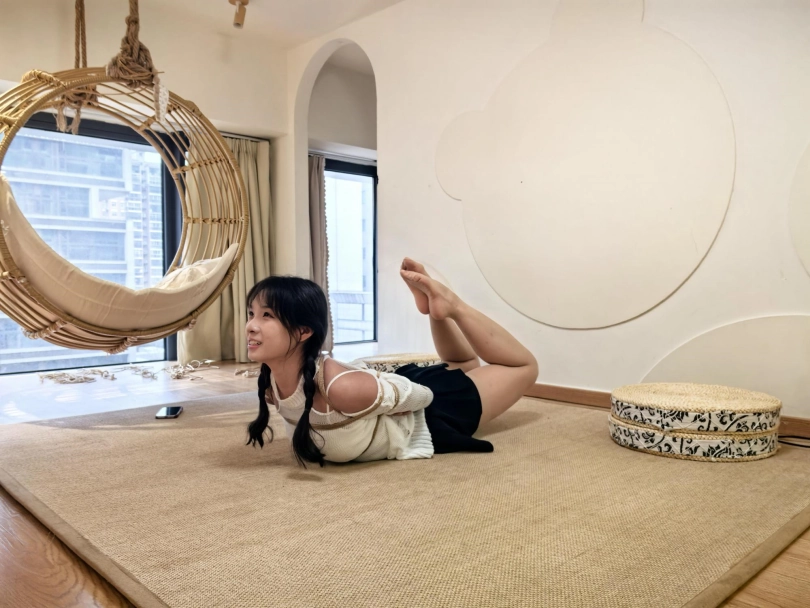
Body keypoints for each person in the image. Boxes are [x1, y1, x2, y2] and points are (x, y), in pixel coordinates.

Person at [245, 258, 538, 467]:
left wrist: (378, 395)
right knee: (463, 364)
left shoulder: (340, 389)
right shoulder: (273, 386)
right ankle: (435, 308)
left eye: (266, 315)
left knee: (524, 367)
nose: (250, 326)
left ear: (303, 331)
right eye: (251, 314)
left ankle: (454, 306)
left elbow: (424, 396)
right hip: (394, 388)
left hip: (432, 411)